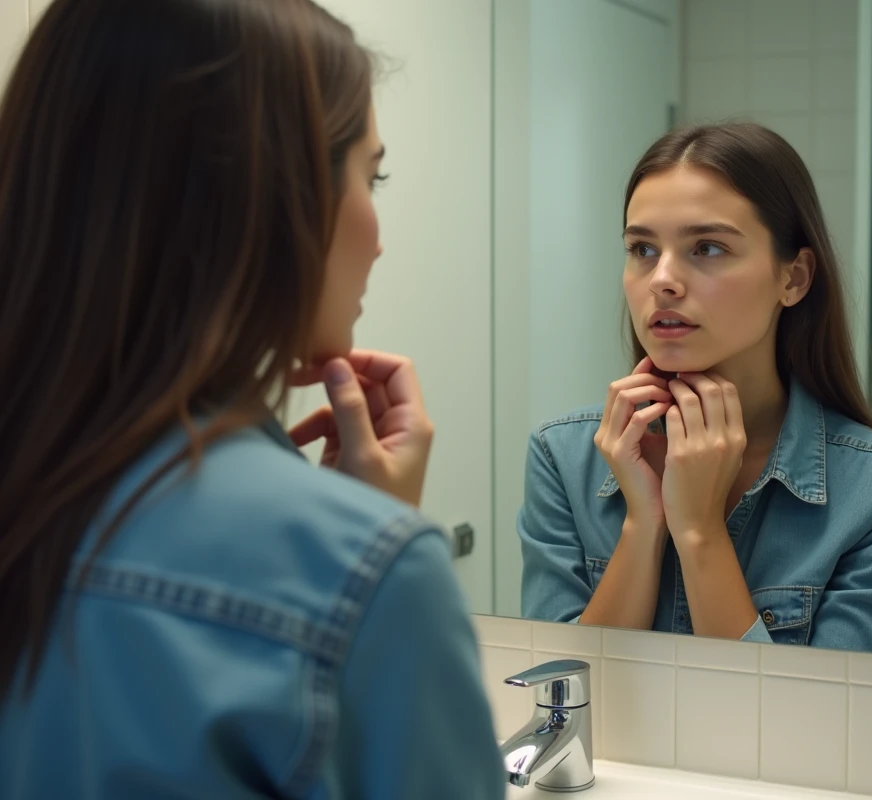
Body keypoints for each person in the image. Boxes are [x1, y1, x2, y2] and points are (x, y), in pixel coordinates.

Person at [0, 1, 503, 797]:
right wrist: (366, 560)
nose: (379, 237)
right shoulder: (367, 575)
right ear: (269, 197)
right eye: (371, 177)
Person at [518, 122, 872, 655]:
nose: (662, 280)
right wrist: (642, 525)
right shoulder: (562, 458)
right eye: (642, 248)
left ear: (794, 278)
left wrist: (699, 533)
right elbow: (558, 687)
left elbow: (832, 711)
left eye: (708, 248)